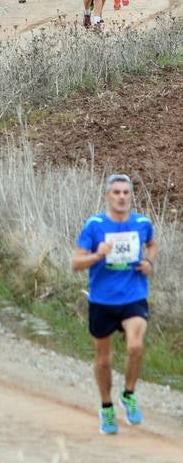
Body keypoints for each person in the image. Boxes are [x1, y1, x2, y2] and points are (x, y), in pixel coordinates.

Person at [72, 174, 157, 434]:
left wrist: (149, 263)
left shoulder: (142, 223)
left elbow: (151, 245)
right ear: (107, 196)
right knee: (104, 360)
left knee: (135, 345)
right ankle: (107, 407)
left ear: (131, 196)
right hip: (102, 300)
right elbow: (75, 263)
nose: (121, 197)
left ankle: (129, 395)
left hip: (133, 296)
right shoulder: (95, 225)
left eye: (126, 192)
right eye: (116, 192)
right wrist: (98, 255)